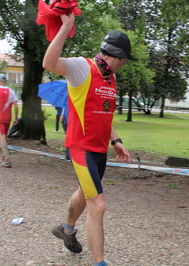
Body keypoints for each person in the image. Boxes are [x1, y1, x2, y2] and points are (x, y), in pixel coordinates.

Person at [43, 13, 132, 266]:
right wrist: (66, 27)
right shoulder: (82, 67)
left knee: (85, 192)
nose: (124, 64)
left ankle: (66, 230)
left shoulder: (110, 78)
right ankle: (100, 262)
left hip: (100, 149)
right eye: (123, 59)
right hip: (81, 148)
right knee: (98, 204)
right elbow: (49, 62)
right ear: (114, 55)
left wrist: (116, 141)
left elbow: (105, 113)